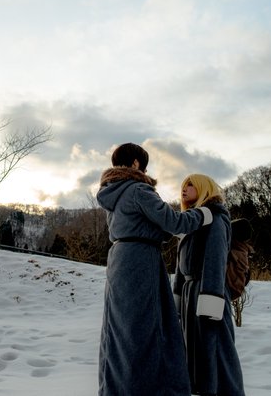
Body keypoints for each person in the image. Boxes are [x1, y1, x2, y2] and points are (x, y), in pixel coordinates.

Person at [96, 143, 215, 396]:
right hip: (141, 260)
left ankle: (118, 389)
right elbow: (173, 222)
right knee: (148, 329)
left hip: (118, 259)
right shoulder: (138, 189)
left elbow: (144, 223)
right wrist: (202, 215)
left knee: (121, 330)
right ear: (136, 163)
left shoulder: (113, 193)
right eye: (144, 165)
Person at [172, 174, 245, 396]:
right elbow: (180, 267)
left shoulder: (216, 217)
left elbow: (216, 258)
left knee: (217, 350)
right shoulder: (191, 220)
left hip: (208, 293)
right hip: (190, 295)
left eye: (191, 184)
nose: (184, 188)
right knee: (196, 355)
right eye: (183, 185)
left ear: (204, 188)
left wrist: (210, 301)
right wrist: (178, 298)